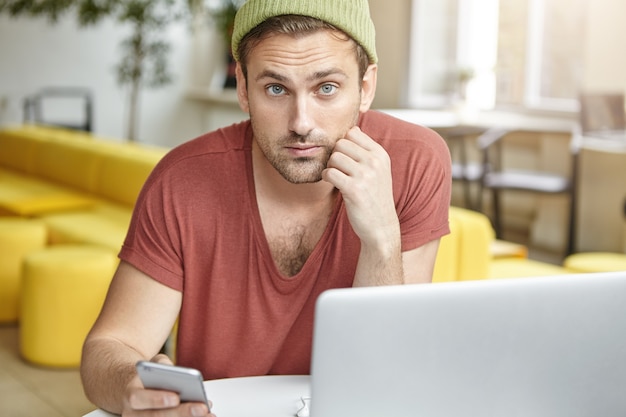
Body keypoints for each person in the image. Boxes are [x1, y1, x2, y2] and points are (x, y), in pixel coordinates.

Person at [80, 0, 452, 415]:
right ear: (242, 87)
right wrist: (133, 388)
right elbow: (108, 347)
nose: (301, 122)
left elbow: (389, 373)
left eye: (326, 87)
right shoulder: (183, 180)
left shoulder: (415, 161)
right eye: (276, 88)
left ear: (365, 87)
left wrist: (382, 238)